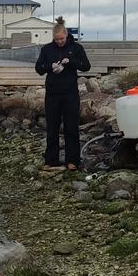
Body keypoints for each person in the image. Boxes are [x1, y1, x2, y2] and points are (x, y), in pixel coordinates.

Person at [34, 22, 91, 170]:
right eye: (57, 39)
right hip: (52, 93)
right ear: (53, 37)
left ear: (66, 34)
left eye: (62, 39)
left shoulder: (76, 48)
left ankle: (72, 161)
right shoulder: (47, 49)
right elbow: (39, 68)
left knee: (71, 127)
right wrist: (50, 66)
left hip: (70, 93)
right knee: (52, 127)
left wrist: (71, 61)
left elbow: (86, 66)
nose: (60, 42)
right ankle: (51, 160)